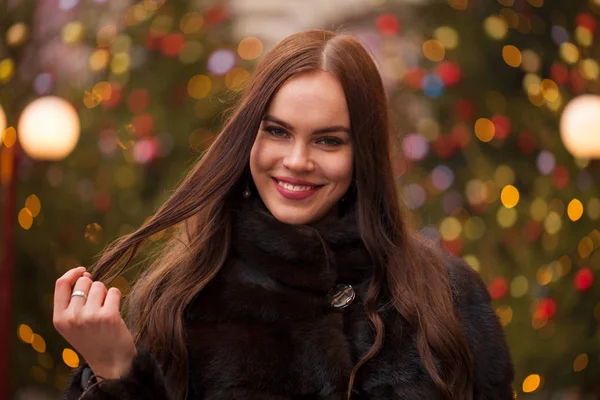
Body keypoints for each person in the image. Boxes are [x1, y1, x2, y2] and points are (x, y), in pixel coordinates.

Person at [53, 29, 515, 400]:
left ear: (363, 155)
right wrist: (115, 373)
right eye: (277, 131)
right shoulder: (181, 296)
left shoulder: (446, 297)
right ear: (247, 136)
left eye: (328, 140)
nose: (296, 160)